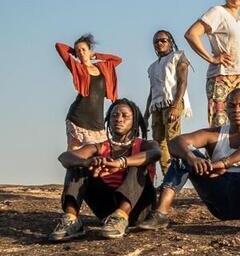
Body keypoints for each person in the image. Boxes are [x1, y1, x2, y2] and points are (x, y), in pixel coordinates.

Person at [136, 88, 240, 231]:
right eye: (232, 106)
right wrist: (192, 158)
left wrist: (225, 163)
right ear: (226, 109)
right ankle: (161, 213)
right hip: (221, 202)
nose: (237, 110)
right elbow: (175, 142)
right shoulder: (215, 134)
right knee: (183, 155)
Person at [49, 99, 159, 240]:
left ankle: (121, 216)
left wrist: (121, 163)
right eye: (114, 115)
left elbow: (155, 153)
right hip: (107, 211)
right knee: (76, 165)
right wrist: (87, 162)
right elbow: (64, 157)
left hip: (137, 209)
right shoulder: (100, 147)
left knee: (138, 165)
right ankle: (71, 219)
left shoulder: (145, 144)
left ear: (135, 121)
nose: (119, 119)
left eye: (125, 116)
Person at [184, 0, 240, 127]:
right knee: (221, 127)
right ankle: (217, 153)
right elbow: (191, 34)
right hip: (223, 77)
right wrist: (212, 58)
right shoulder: (218, 12)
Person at [55, 34, 121, 150]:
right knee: (75, 155)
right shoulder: (77, 67)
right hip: (78, 118)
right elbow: (59, 46)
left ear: (90, 50)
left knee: (102, 155)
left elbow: (117, 60)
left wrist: (95, 56)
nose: (81, 52)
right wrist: (73, 52)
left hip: (97, 122)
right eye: (78, 51)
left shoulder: (103, 67)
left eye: (83, 50)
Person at [145, 29, 192, 174]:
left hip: (172, 102)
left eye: (163, 40)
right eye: (156, 41)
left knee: (172, 140)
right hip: (157, 105)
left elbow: (183, 82)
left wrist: (176, 105)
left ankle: (176, 176)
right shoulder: (152, 67)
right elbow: (152, 90)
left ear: (170, 42)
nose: (159, 43)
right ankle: (167, 175)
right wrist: (146, 114)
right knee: (158, 141)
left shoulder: (178, 57)